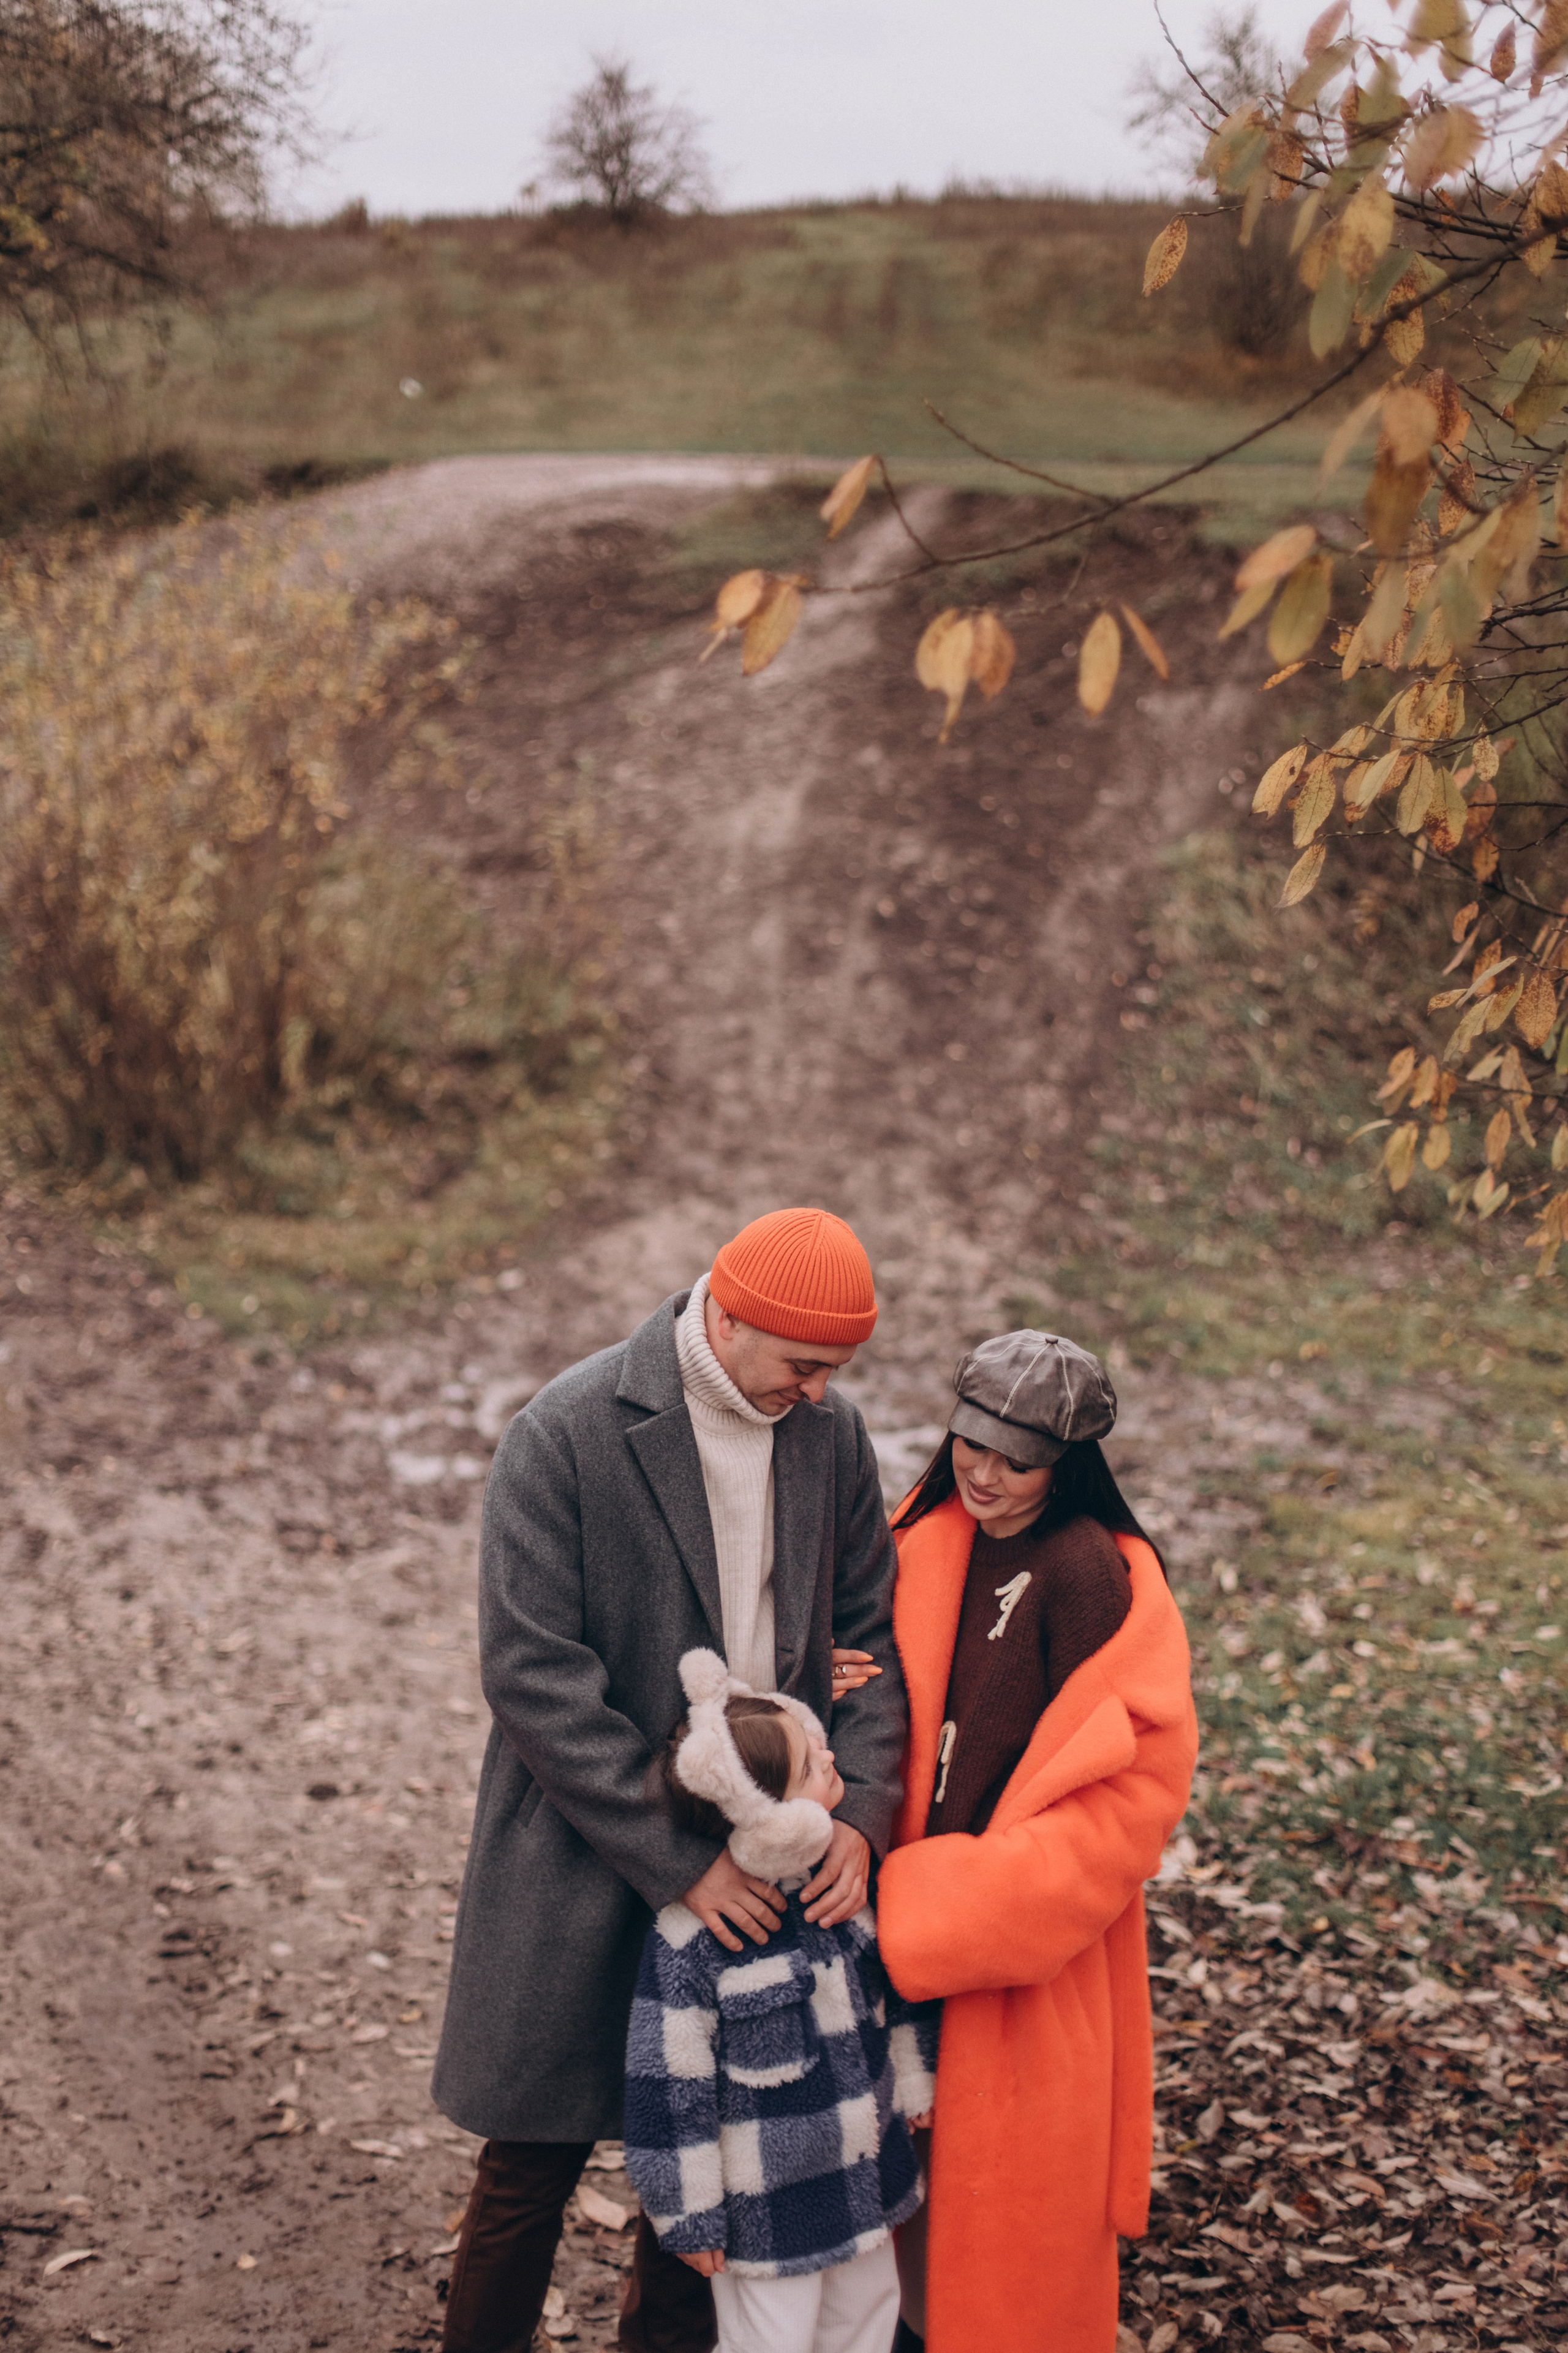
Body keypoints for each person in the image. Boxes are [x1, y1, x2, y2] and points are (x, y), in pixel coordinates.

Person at [432, 1207, 909, 2353]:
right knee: (529, 2166)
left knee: (718, 2172)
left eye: (836, 1374)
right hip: (583, 1848)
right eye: (803, 1365)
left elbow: (870, 1637)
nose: (817, 1393)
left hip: (769, 1853)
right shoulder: (566, 1429)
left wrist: (866, 1819)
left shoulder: (828, 1436)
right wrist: (680, 1859)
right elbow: (534, 1676)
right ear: (730, 1315)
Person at [842, 1330, 1197, 2353]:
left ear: (1068, 1463)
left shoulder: (1088, 1572)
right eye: (971, 1443)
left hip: (1014, 1956)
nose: (985, 1473)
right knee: (888, 2207)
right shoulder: (917, 1537)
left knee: (1006, 2224)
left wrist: (932, 1900)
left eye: (1018, 1459)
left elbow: (1127, 1784)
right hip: (888, 1939)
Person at [624, 1649, 938, 2353]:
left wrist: (916, 2080)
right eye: (809, 1765)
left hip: (866, 2176)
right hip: (766, 2207)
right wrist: (689, 2211)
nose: (830, 1757)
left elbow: (898, 1993)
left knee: (867, 2320)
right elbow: (666, 2084)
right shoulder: (694, 1940)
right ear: (769, 1815)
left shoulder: (848, 1892)